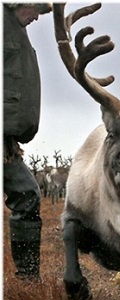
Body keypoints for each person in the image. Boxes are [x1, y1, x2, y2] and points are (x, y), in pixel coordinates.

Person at [3, 3, 53, 280]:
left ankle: (28, 280)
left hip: (6, 142)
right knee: (27, 194)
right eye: (36, 9)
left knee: (27, 194)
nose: (36, 17)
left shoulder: (15, 31)